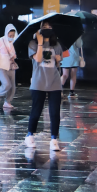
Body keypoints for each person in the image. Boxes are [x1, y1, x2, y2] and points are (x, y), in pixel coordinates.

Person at [26, 20, 63, 152]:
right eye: (44, 27)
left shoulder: (57, 45)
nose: (47, 28)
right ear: (39, 29)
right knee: (36, 111)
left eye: (49, 26)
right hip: (38, 82)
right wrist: (40, 42)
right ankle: (30, 135)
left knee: (54, 112)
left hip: (54, 82)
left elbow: (57, 65)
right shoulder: (33, 44)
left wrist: (59, 60)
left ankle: (54, 139)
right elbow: (38, 59)